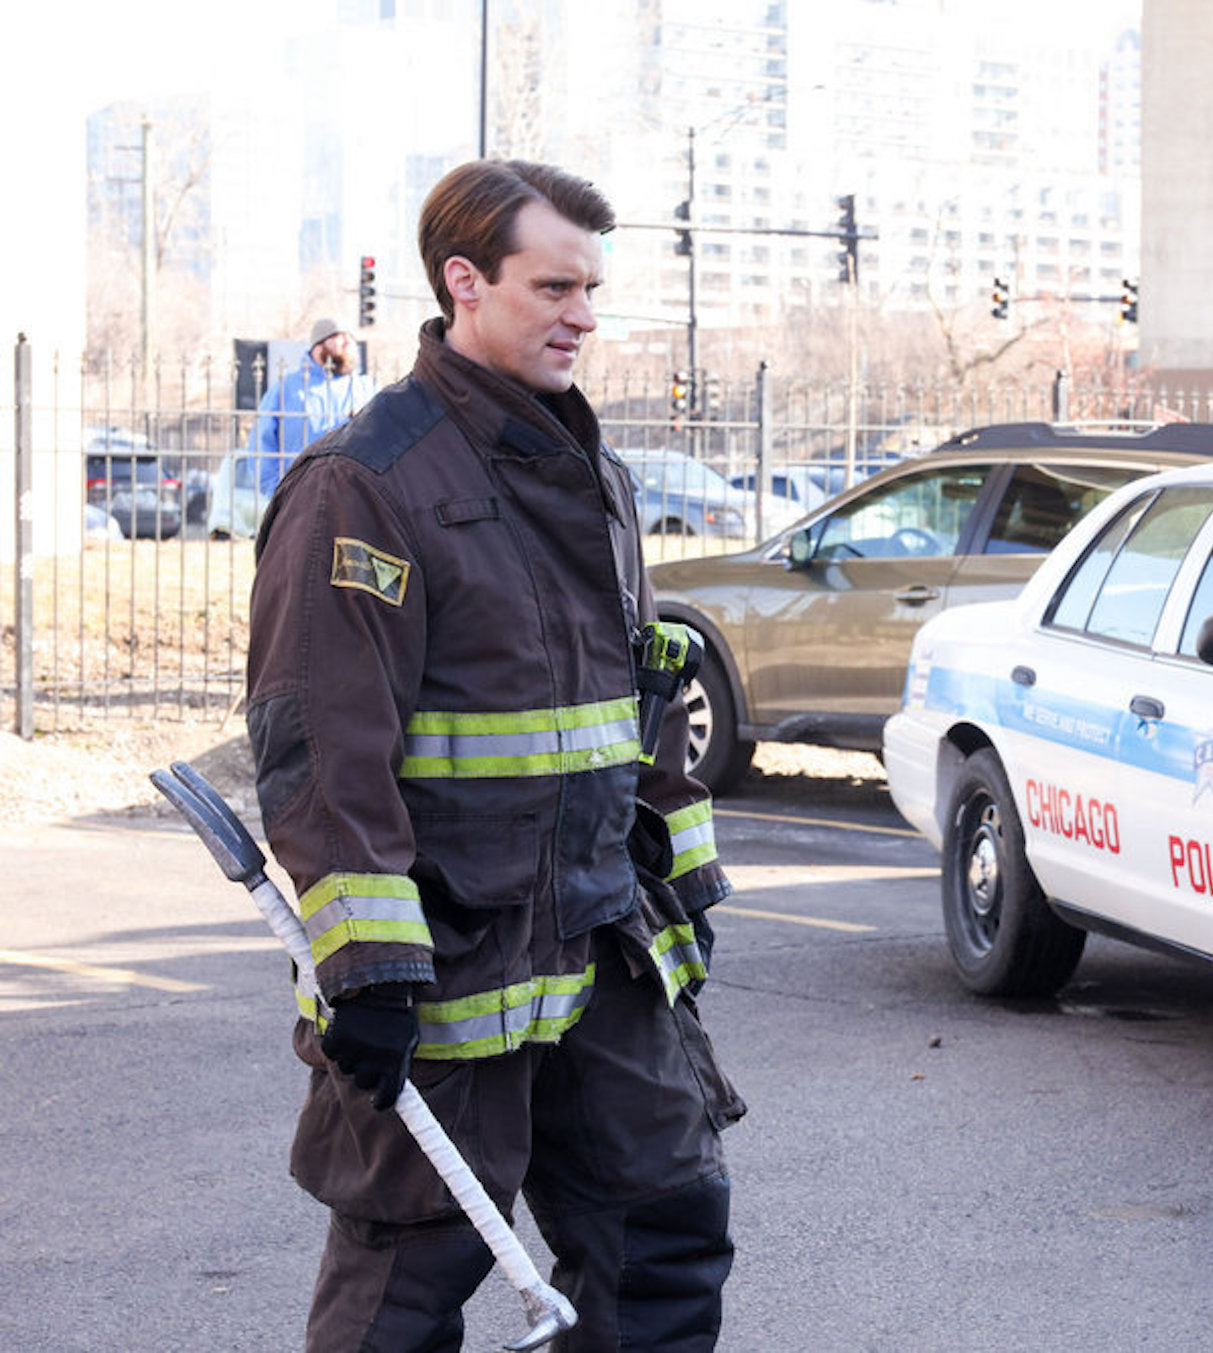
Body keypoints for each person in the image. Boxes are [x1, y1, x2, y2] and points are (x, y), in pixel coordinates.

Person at [245, 159, 743, 1351]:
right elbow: (322, 752)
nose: (584, 315)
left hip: (602, 947)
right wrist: (366, 972)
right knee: (407, 1285)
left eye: (592, 289)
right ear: (464, 281)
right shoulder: (365, 485)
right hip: (447, 971)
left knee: (666, 1230)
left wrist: (683, 884)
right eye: (555, 285)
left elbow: (630, 703)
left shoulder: (597, 477)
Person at [248, 317, 377, 495]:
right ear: (319, 345)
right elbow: (262, 445)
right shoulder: (287, 389)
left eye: (351, 339)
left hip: (355, 498)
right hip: (301, 497)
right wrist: (278, 494)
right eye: (341, 338)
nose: (349, 344)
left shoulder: (366, 389)